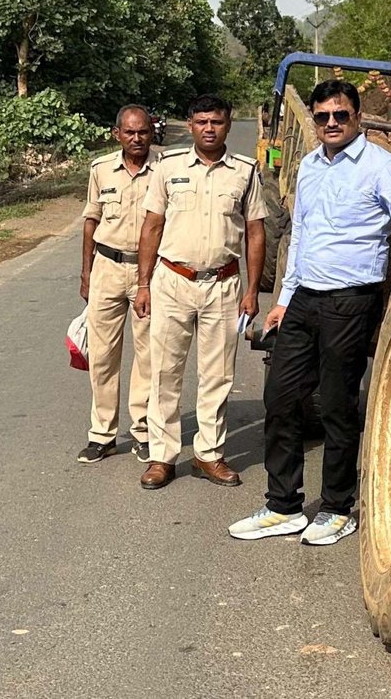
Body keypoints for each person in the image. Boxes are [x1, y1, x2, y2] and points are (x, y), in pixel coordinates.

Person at [228, 79, 391, 545]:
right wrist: (283, 302)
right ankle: (283, 505)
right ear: (313, 120)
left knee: (336, 404)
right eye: (323, 116)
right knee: (282, 399)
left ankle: (336, 507)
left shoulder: (381, 167)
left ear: (358, 117)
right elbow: (303, 239)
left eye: (341, 115)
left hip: (352, 300)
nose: (331, 123)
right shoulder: (310, 167)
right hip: (305, 298)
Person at [133, 94, 266, 490]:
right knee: (164, 372)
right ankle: (162, 456)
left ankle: (209, 454)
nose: (209, 128)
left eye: (217, 122)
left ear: (228, 126)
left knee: (218, 374)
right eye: (202, 121)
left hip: (223, 285)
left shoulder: (244, 171)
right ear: (190, 125)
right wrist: (143, 284)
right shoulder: (168, 167)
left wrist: (253, 289)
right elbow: (152, 226)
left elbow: (255, 231)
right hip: (172, 281)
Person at [77, 105, 158, 464]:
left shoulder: (165, 170)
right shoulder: (100, 170)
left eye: (142, 132)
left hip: (150, 273)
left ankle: (142, 431)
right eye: (130, 132)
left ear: (151, 132)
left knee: (148, 355)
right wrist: (86, 272)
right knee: (103, 355)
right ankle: (103, 434)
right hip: (107, 268)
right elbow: (90, 222)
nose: (137, 138)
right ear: (117, 134)